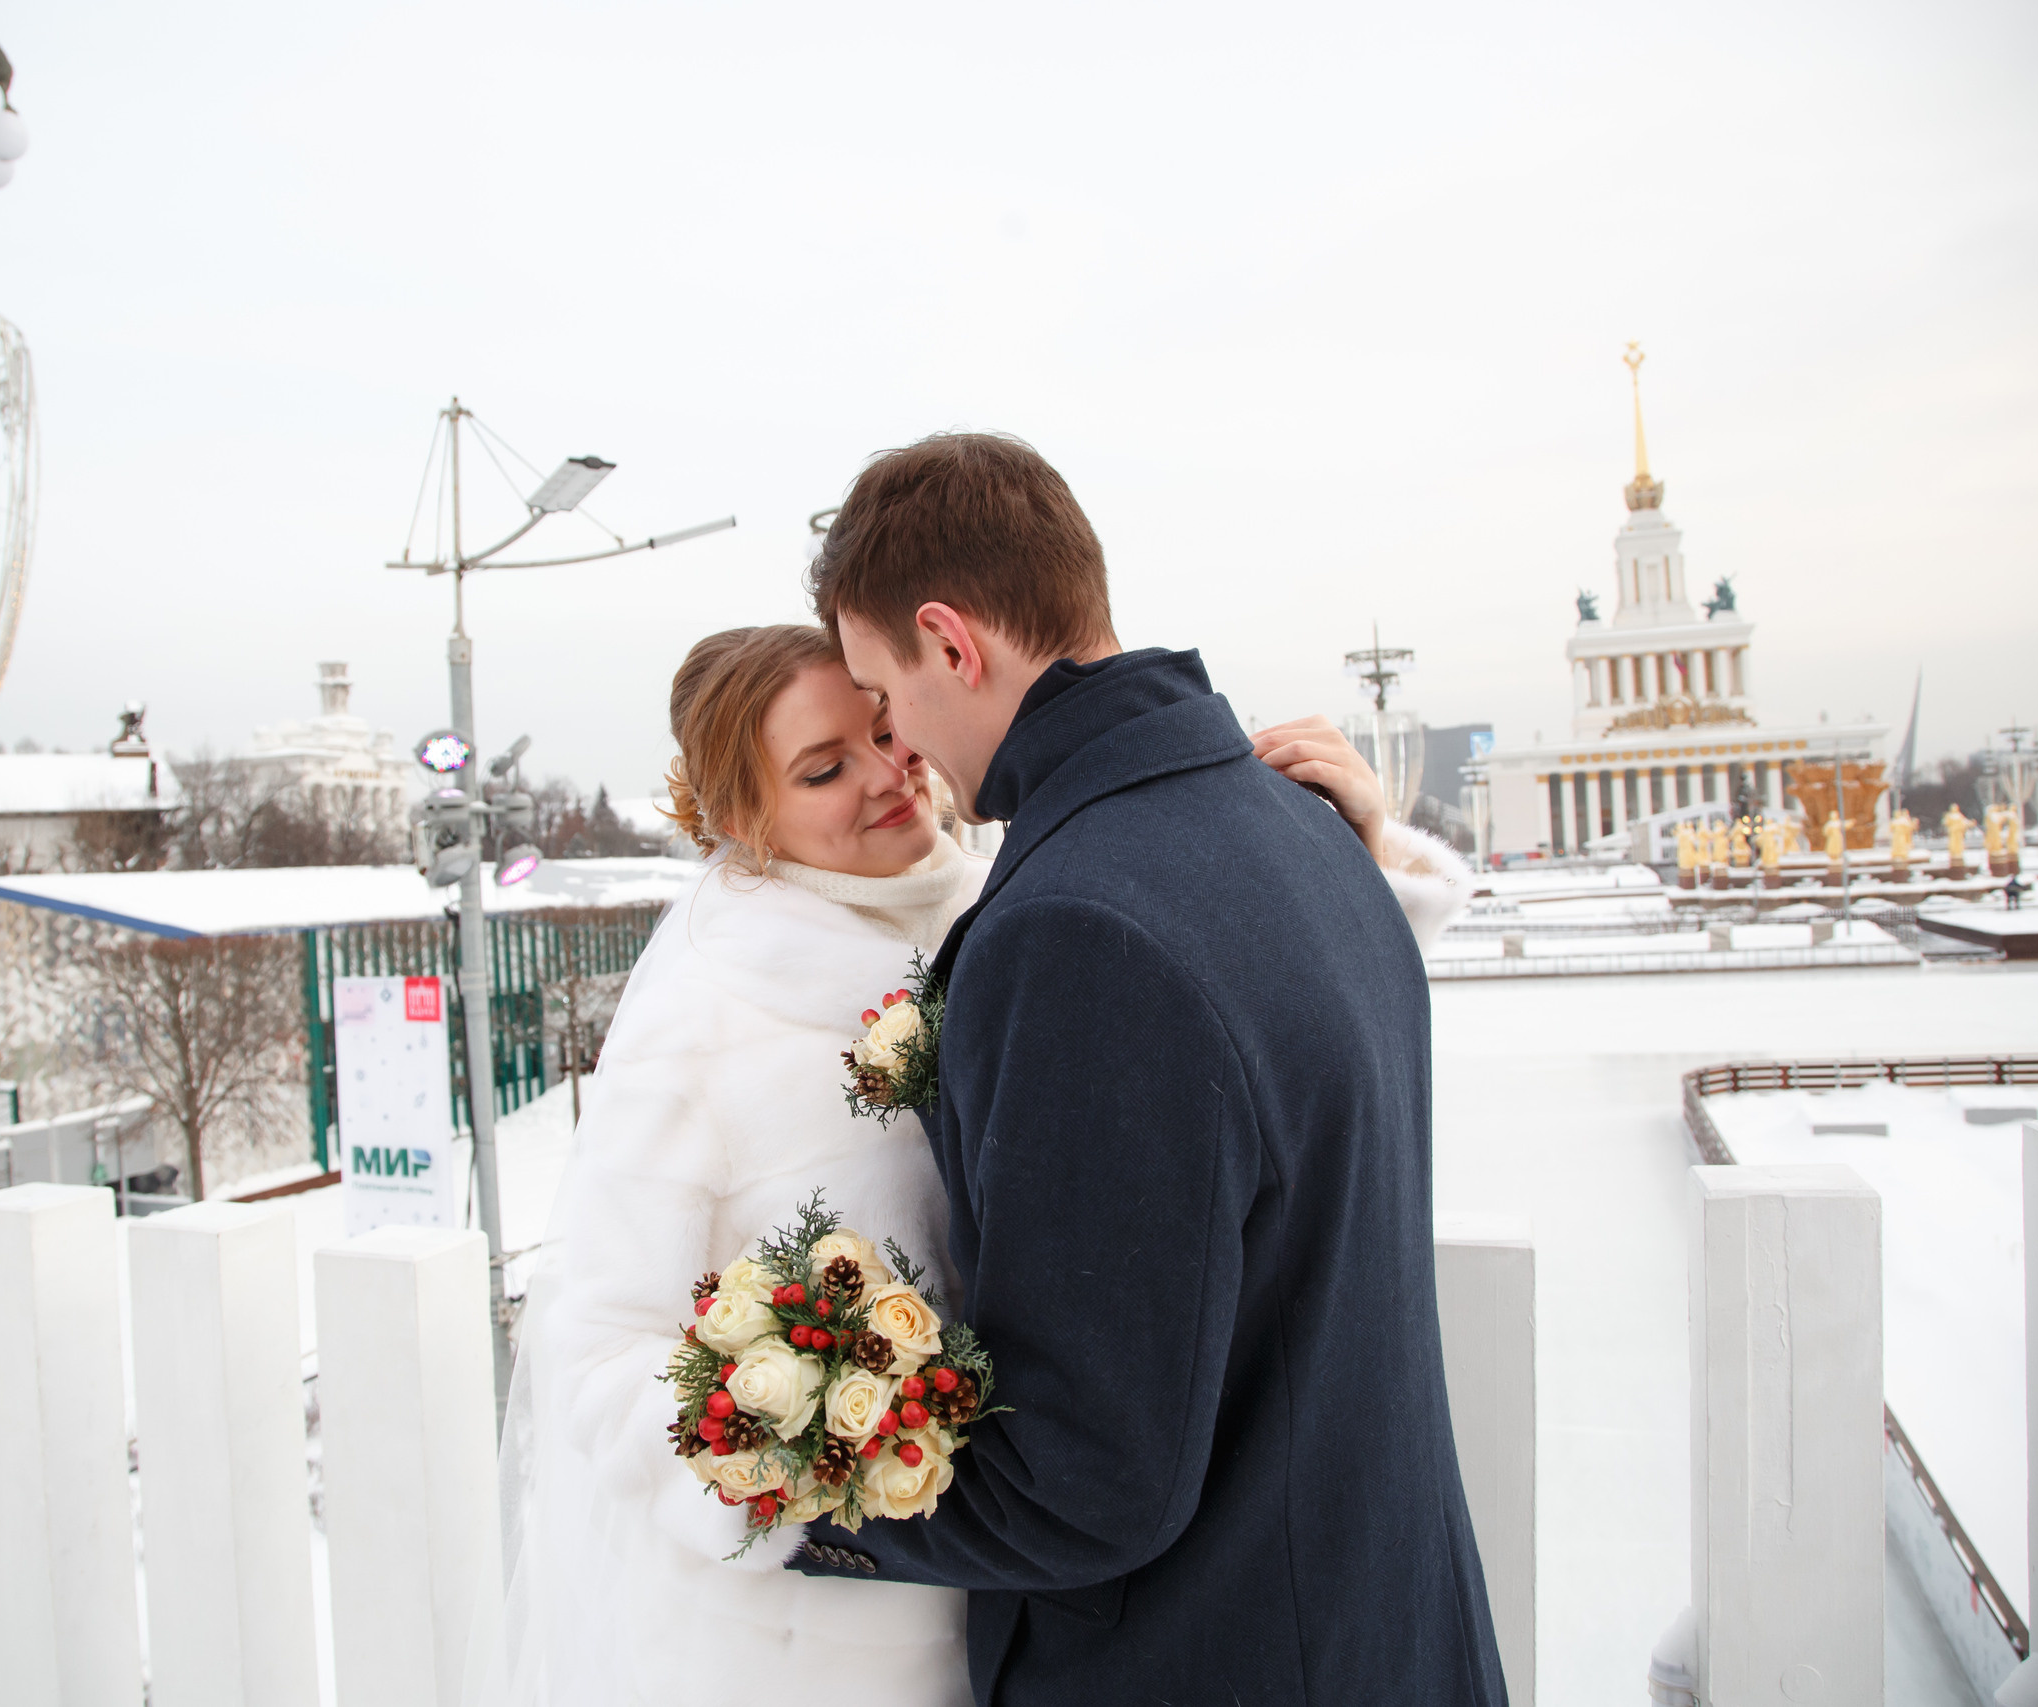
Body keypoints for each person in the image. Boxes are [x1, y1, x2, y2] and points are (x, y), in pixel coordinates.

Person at [500, 619, 1473, 1705]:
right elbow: (598, 1351)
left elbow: (1227, 1051)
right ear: (737, 820)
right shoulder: (702, 1027)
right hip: (824, 1639)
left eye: (882, 729)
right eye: (824, 769)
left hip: (1037, 1597)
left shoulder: (1015, 902)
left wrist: (1349, 858)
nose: (886, 776)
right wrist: (810, 1448)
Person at [793, 432, 1506, 1705]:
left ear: (954, 645)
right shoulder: (1303, 828)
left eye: (883, 693)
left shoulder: (1079, 927)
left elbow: (1086, 1483)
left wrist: (794, 1484)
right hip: (1380, 1633)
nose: (895, 740)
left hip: (1212, 1661)